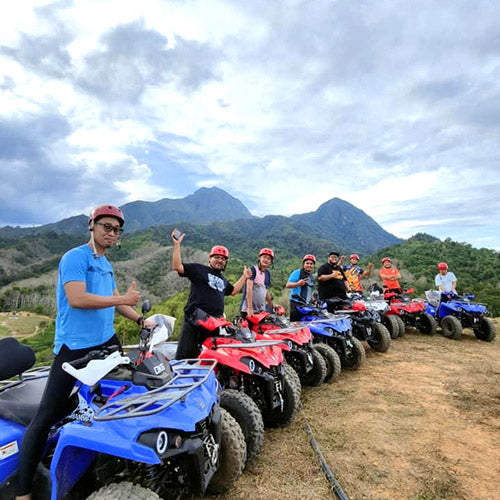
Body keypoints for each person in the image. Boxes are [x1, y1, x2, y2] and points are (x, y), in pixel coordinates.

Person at [16, 205, 149, 500]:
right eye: (106, 227)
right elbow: (77, 298)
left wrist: (140, 318)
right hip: (75, 348)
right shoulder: (75, 257)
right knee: (46, 415)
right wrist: (123, 297)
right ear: (92, 225)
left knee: (104, 404)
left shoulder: (106, 263)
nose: (111, 233)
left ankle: (99, 463)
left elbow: (116, 303)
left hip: (106, 343)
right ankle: (23, 491)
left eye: (116, 229)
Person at [171, 229, 251, 359]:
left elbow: (233, 291)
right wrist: (176, 245)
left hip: (215, 323)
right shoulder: (199, 269)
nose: (220, 260)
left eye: (223, 259)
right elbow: (177, 266)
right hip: (195, 320)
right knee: (185, 357)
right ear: (210, 258)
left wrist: (244, 277)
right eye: (217, 257)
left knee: (209, 357)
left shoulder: (223, 280)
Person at [240, 248, 274, 317]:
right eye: (264, 257)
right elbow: (249, 289)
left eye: (268, 258)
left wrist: (271, 304)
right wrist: (249, 308)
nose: (266, 260)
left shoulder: (267, 273)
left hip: (260, 310)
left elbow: (265, 290)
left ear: (271, 261)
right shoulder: (253, 269)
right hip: (248, 310)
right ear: (259, 257)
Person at [286, 254, 316, 321]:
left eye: (311, 264)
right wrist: (298, 283)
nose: (309, 265)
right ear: (303, 264)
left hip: (307, 305)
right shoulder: (298, 272)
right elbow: (287, 285)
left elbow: (309, 289)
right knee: (295, 325)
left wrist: (313, 299)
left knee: (306, 326)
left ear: (313, 265)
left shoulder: (311, 276)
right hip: (297, 304)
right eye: (307, 263)